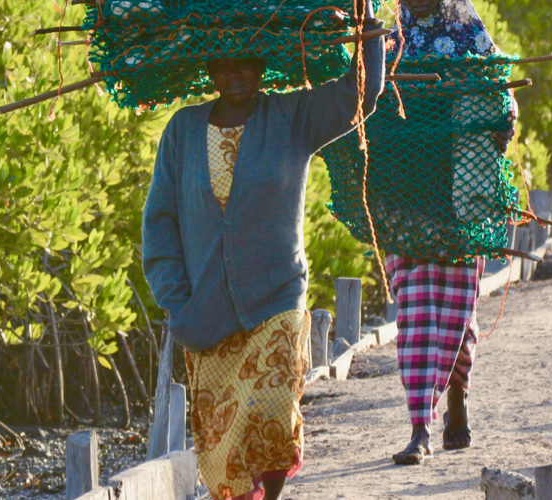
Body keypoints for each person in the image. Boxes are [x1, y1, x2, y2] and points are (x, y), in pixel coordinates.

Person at [140, 6, 386, 498]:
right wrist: (176, 301)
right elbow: (160, 221)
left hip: (276, 299)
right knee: (221, 449)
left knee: (273, 415)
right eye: (225, 66)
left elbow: (356, 95)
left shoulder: (290, 116)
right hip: (205, 312)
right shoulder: (182, 131)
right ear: (210, 71)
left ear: (262, 69)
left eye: (246, 64)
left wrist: (369, 36)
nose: (236, 74)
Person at [386, 0, 515, 465]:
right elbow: (364, 92)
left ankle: (456, 397)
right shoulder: (387, 27)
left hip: (463, 187)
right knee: (416, 305)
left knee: (459, 304)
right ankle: (420, 425)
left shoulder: (465, 24)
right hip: (405, 191)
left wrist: (502, 122)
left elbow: (501, 87)